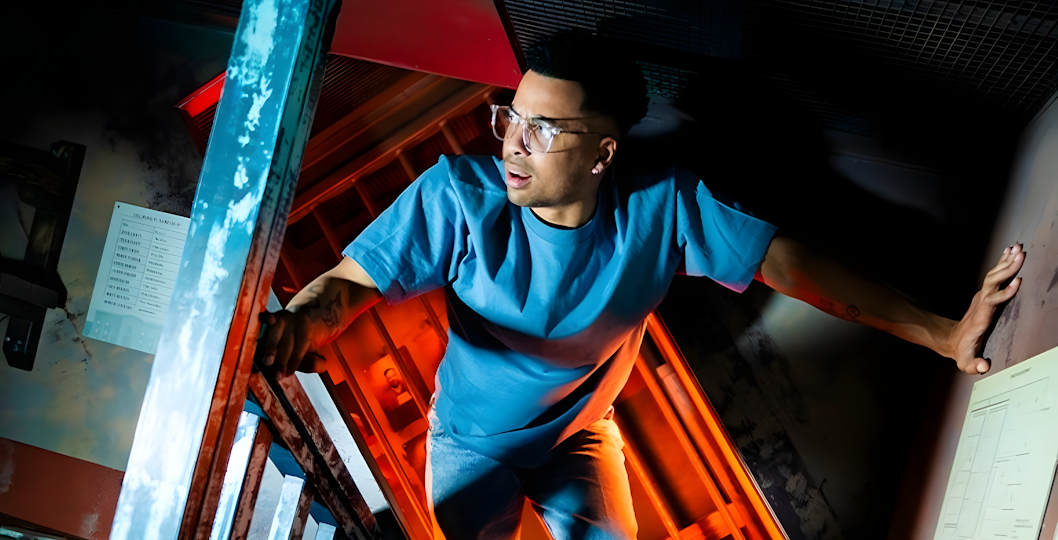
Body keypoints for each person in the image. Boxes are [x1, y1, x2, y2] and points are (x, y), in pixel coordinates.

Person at [258, 32, 1024, 540]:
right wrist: (292, 328)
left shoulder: (665, 205)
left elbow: (792, 265)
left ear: (602, 154)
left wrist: (942, 331)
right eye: (512, 118)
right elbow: (346, 288)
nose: (514, 146)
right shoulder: (459, 196)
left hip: (581, 434)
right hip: (470, 444)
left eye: (545, 130)